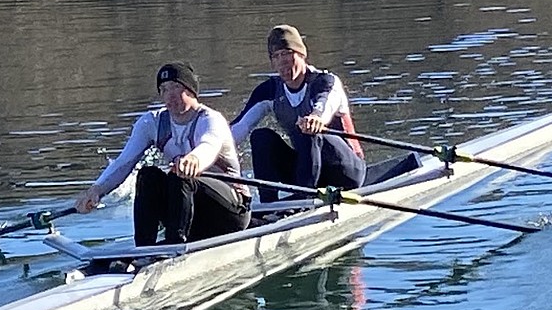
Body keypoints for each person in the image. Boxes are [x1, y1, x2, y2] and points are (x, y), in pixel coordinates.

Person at [74, 62, 251, 246]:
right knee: (147, 175)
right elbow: (123, 163)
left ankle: (174, 247)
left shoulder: (210, 120)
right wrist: (96, 190)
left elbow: (209, 145)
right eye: (164, 89)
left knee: (180, 177)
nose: (170, 95)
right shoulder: (152, 122)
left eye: (176, 87)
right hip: (189, 211)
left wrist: (194, 159)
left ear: (191, 91)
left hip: (230, 212)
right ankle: (144, 250)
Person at [229, 24, 367, 203]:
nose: (282, 62)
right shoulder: (270, 90)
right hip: (308, 169)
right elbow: (238, 128)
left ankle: (303, 201)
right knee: (260, 137)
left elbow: (324, 106)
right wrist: (203, 154)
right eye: (276, 56)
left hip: (346, 171)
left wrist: (316, 118)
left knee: (309, 129)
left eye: (287, 54)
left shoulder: (325, 82)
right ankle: (267, 207)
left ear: (302, 55)